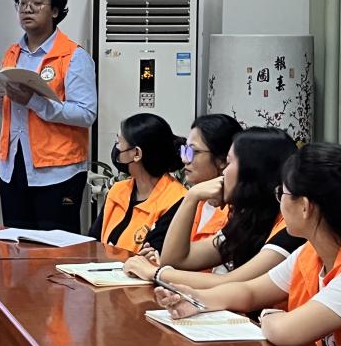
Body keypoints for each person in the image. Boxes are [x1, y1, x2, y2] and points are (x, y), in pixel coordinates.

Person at [155, 143, 341, 346]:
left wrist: (269, 315)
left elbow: (286, 331)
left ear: (305, 206)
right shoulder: (311, 252)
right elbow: (250, 291)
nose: (279, 202)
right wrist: (196, 299)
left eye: (282, 193)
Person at [0, 0, 96, 231]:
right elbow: (5, 111)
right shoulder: (13, 53)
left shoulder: (74, 56)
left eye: (36, 2)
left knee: (55, 249)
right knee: (16, 245)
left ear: (55, 11)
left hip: (58, 172)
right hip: (14, 167)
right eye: (22, 3)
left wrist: (34, 101)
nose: (27, 9)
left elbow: (86, 113)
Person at [125, 127, 301, 289]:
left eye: (229, 163)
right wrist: (191, 198)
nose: (224, 172)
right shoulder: (249, 219)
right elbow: (175, 260)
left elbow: (229, 284)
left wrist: (155, 273)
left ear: (252, 171)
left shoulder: (289, 227)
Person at [143, 113, 243, 249]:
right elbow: (153, 243)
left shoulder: (237, 214)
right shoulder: (194, 201)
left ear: (222, 160)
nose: (185, 159)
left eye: (193, 152)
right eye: (185, 150)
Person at [90, 113, 187, 253]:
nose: (116, 149)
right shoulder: (118, 190)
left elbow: (153, 254)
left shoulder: (176, 200)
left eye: (118, 142)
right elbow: (94, 241)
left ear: (136, 153)